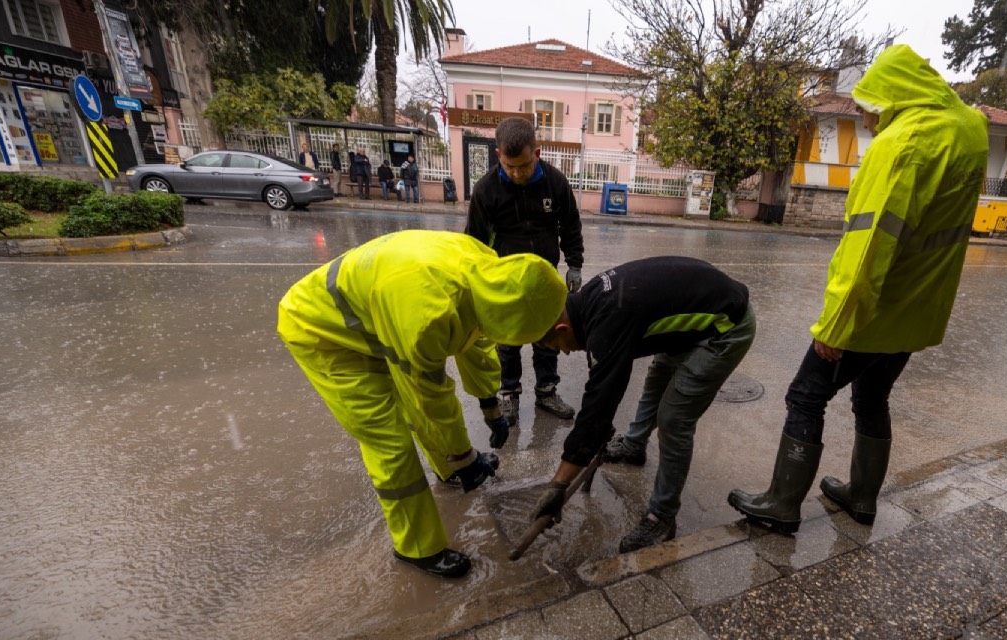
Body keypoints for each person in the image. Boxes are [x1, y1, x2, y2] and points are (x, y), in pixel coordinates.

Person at [728, 44, 989, 533]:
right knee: (873, 399)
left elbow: (867, 247)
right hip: (916, 312)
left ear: (898, 100)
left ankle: (783, 503)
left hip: (872, 310)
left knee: (805, 396)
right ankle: (862, 497)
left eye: (873, 110)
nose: (869, 123)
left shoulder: (902, 146)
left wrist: (837, 323)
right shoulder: (968, 131)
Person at [277, 230, 567, 578]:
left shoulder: (493, 276)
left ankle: (449, 470)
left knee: (423, 408)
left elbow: (476, 342)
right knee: (390, 440)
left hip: (377, 314)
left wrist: (490, 406)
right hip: (324, 332)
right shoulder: (427, 315)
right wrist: (464, 455)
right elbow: (428, 397)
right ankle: (416, 547)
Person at [529, 257, 756, 552]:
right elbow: (602, 382)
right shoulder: (588, 302)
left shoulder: (609, 320)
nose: (566, 353)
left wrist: (558, 485)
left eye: (558, 347)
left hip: (726, 326)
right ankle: (634, 445)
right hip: (695, 316)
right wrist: (598, 422)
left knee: (674, 419)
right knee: (657, 378)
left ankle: (662, 516)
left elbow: (598, 406)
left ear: (561, 327)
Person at [465, 117, 584, 425]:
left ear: (537, 153)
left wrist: (575, 264)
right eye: (510, 166)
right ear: (498, 156)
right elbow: (473, 241)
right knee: (507, 339)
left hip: (545, 277)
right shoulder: (486, 190)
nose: (517, 173)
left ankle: (546, 392)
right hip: (505, 278)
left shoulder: (555, 182)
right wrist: (474, 280)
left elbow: (570, 224)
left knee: (548, 335)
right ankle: (509, 394)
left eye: (524, 165)